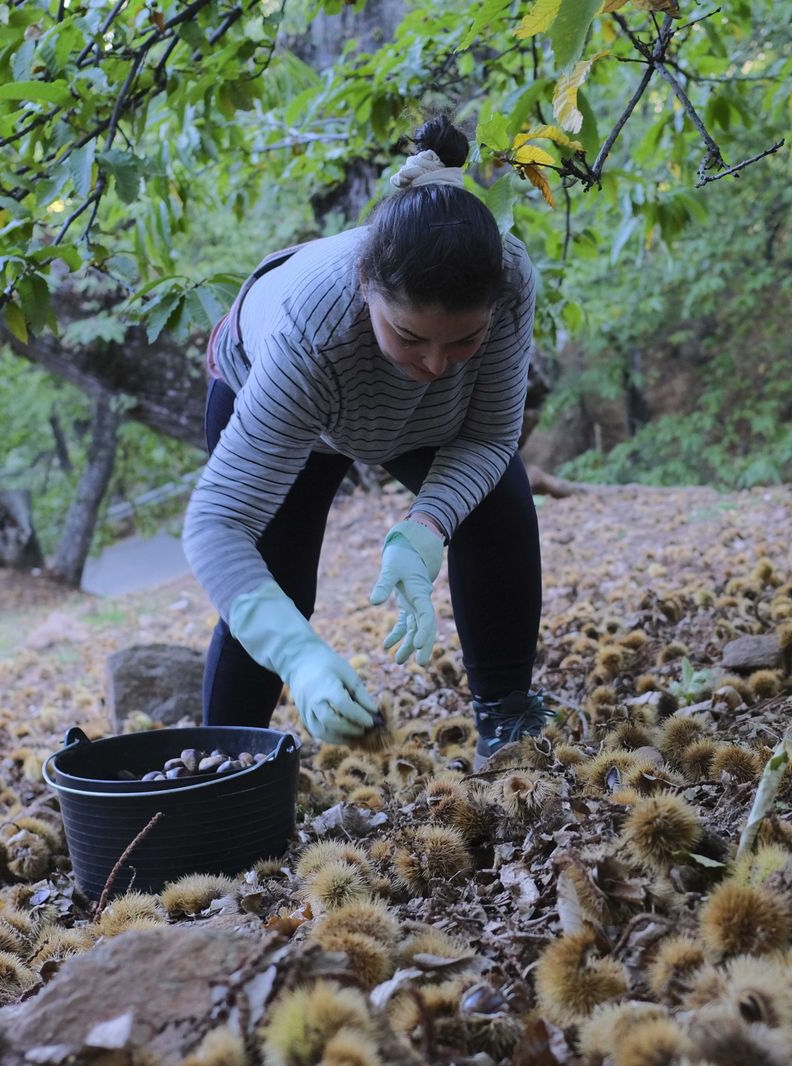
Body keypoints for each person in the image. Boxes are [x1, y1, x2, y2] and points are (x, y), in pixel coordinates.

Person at [181, 116, 551, 770]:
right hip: (295, 401)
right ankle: (227, 767)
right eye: (411, 336)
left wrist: (425, 527)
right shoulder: (311, 330)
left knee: (499, 507)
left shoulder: (511, 279)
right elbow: (217, 525)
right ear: (366, 288)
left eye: (462, 340)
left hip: (419, 417)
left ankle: (507, 719)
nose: (437, 362)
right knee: (277, 582)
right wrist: (300, 656)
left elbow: (492, 436)